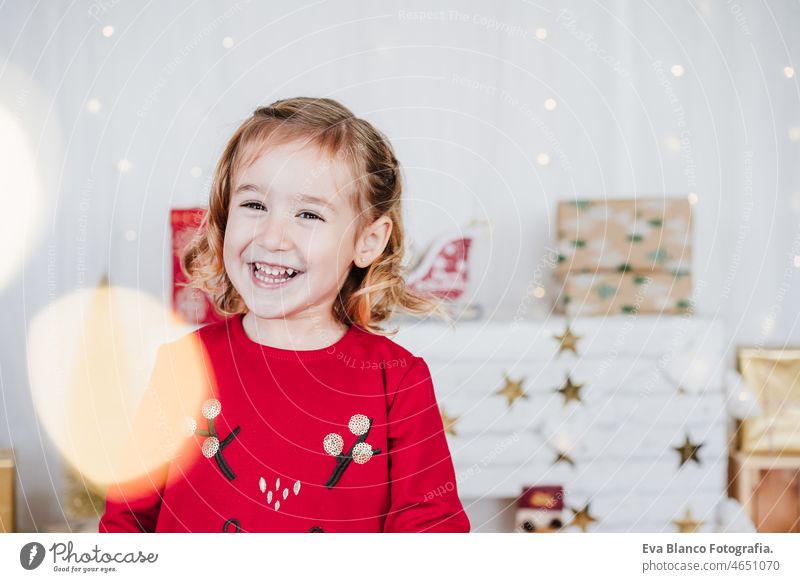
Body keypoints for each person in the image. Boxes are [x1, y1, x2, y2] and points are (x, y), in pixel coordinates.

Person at [99, 97, 470, 533]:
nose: (273, 236)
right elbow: (126, 520)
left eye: (309, 214)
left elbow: (430, 533)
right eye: (254, 205)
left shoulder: (397, 381)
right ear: (224, 215)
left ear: (367, 241)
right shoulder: (181, 366)